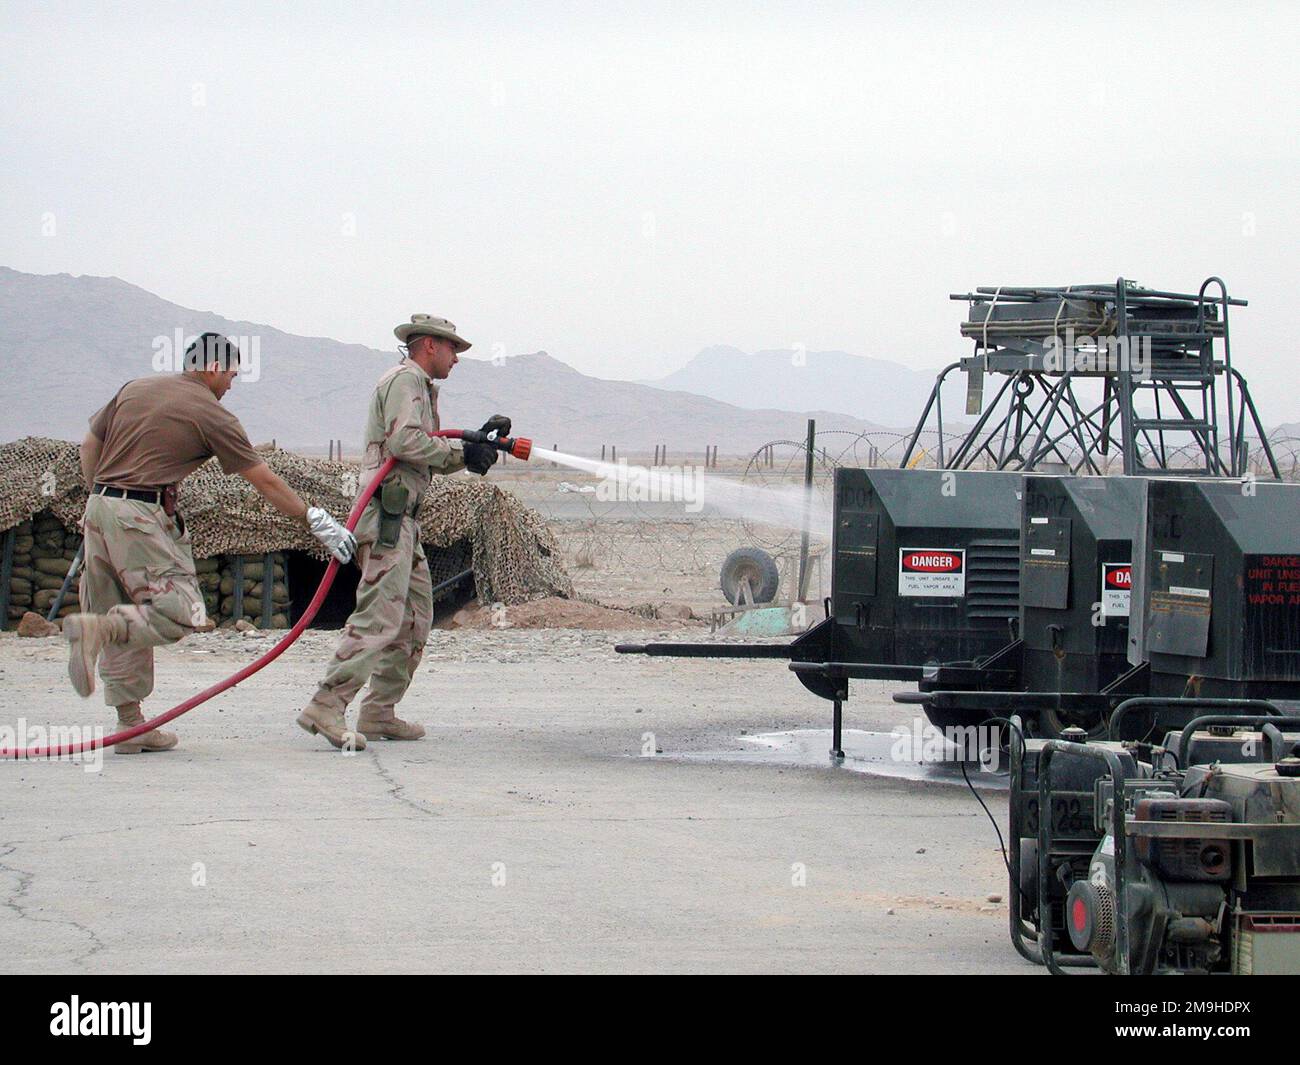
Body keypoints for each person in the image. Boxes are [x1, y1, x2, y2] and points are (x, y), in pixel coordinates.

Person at [66, 332, 357, 753]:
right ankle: (97, 631)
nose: (231, 386)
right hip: (141, 516)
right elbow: (264, 480)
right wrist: (314, 519)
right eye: (232, 376)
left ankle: (131, 727)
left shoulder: (136, 389)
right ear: (214, 367)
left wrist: (99, 497)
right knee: (180, 612)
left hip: (98, 511)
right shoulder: (211, 414)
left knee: (126, 610)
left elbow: (91, 441)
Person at [297, 314, 508, 750]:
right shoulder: (404, 381)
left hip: (405, 520)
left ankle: (379, 712)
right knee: (379, 617)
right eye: (453, 350)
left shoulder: (421, 389)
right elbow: (405, 443)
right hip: (386, 519)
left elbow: (418, 451)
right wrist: (460, 450)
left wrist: (468, 454)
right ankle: (326, 705)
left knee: (413, 620)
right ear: (429, 345)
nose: (456, 359)